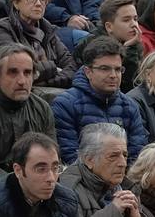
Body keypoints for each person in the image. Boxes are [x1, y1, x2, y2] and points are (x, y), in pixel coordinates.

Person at [53, 35, 148, 164]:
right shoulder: (65, 104)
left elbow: (137, 155)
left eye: (118, 69)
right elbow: (69, 155)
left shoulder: (130, 106)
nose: (113, 75)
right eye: (105, 69)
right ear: (88, 72)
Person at [0, 43, 54, 183]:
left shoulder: (42, 108)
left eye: (27, 73)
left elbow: (51, 156)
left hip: (34, 181)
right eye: (13, 72)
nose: (22, 81)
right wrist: (19, 182)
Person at [0, 0, 77, 90]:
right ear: (16, 2)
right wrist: (54, 68)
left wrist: (44, 82)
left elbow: (71, 68)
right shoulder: (2, 29)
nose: (38, 3)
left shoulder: (48, 30)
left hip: (49, 93)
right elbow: (15, 69)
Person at [77, 0, 141, 90]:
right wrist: (127, 49)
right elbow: (125, 86)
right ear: (109, 27)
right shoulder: (91, 46)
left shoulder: (134, 44)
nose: (134, 24)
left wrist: (130, 47)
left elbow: (136, 84)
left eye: (135, 19)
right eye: (126, 20)